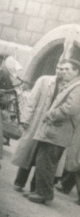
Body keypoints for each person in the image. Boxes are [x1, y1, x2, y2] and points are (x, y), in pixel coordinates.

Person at [20, 60, 80, 204]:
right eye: (62, 69)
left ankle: (44, 194)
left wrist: (50, 114)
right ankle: (40, 192)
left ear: (76, 71)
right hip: (54, 131)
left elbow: (70, 108)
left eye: (67, 69)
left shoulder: (77, 87)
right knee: (43, 162)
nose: (63, 72)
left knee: (47, 163)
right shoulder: (71, 85)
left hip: (57, 132)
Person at [12, 62, 66, 193]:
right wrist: (26, 119)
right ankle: (19, 182)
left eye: (64, 69)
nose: (60, 71)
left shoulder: (68, 87)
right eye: (58, 68)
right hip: (37, 122)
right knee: (29, 152)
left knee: (43, 157)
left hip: (52, 126)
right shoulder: (44, 80)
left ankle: (34, 187)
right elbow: (32, 101)